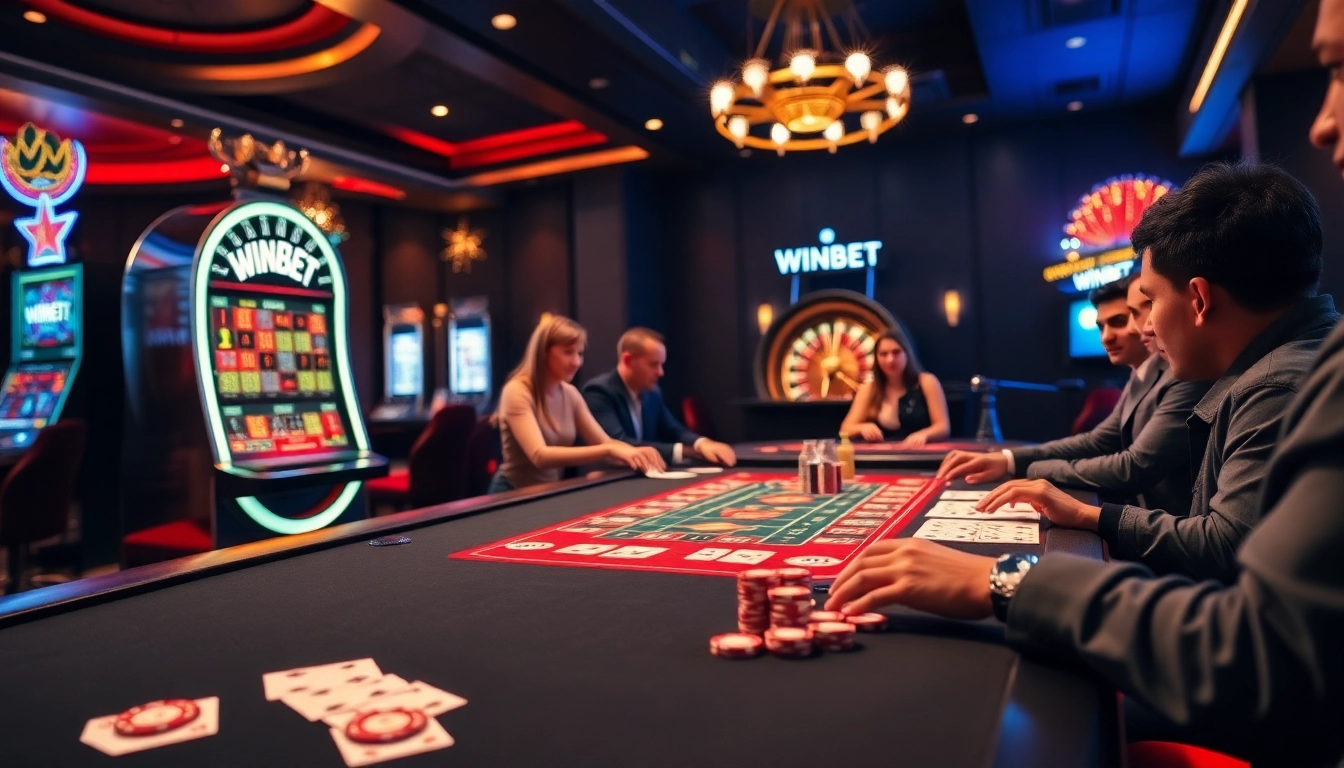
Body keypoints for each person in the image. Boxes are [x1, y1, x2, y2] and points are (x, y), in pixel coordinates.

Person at [825, 156, 1344, 766]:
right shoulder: (1283, 367)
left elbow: (1246, 633)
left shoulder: (1280, 384)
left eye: (1148, 302)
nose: (1147, 325)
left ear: (1198, 299)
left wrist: (1009, 580)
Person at [938, 276, 1208, 515]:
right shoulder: (1142, 374)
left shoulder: (1183, 372)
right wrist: (1010, 459)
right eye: (1101, 326)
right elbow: (1098, 440)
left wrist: (1032, 471)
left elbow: (1133, 468)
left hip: (1169, 532)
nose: (1107, 337)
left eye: (1121, 320)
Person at [488, 316, 664, 493]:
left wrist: (637, 453)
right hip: (510, 493)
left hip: (545, 492)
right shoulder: (517, 390)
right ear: (544, 352)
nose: (576, 362)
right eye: (568, 352)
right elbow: (539, 455)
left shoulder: (570, 393)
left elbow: (604, 441)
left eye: (579, 353)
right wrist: (608, 450)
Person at [582, 328, 737, 467]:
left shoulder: (653, 392)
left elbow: (673, 429)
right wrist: (688, 451)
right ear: (628, 360)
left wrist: (702, 443)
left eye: (661, 365)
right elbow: (619, 444)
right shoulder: (599, 392)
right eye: (653, 364)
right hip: (605, 478)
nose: (660, 372)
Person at [839, 329, 950, 446]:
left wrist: (924, 434)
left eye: (896, 352)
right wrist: (862, 428)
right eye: (883, 354)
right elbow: (845, 429)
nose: (890, 359)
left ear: (907, 353)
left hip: (921, 454)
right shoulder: (869, 388)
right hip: (883, 458)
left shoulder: (927, 382)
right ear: (876, 358)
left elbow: (943, 427)